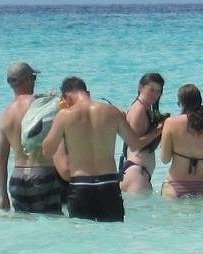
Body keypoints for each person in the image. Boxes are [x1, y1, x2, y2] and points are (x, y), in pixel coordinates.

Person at [41, 76, 143, 222]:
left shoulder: (64, 116)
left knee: (82, 239)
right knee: (113, 236)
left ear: (65, 98)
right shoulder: (112, 112)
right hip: (108, 184)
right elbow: (135, 144)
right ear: (87, 93)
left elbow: (47, 151)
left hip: (81, 185)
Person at [1, 61, 67, 214]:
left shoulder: (5, 114)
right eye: (34, 78)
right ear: (28, 80)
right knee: (52, 227)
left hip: (17, 180)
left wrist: (3, 195)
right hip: (42, 174)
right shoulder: (41, 105)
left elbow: (2, 158)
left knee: (27, 229)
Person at [160, 84, 203, 200]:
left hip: (175, 183)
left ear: (180, 103)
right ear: (200, 101)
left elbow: (165, 159)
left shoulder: (170, 123)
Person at [119, 72, 167, 194]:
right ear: (140, 87)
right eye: (151, 90)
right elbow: (135, 144)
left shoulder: (144, 108)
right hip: (136, 173)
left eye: (158, 91)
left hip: (137, 172)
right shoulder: (139, 110)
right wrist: (159, 130)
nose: (155, 94)